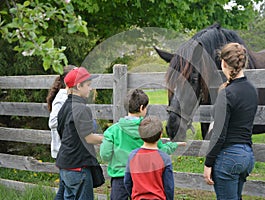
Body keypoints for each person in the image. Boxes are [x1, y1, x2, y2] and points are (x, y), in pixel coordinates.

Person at [100, 88, 186, 200]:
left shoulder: (112, 131)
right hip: (143, 180)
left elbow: (105, 155)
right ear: (141, 108)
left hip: (119, 180)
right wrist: (174, 145)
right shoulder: (148, 129)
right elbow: (160, 151)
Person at [203, 42, 258, 200]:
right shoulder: (252, 90)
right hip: (247, 156)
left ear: (224, 63)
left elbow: (219, 134)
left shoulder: (227, 94)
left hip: (229, 157)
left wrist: (208, 163)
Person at [56, 66, 103, 200]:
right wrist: (107, 139)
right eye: (88, 85)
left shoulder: (64, 107)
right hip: (78, 166)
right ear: (78, 86)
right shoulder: (82, 109)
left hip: (65, 165)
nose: (90, 88)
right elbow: (88, 138)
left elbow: (62, 132)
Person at [124, 116, 175, 200]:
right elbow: (169, 186)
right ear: (160, 135)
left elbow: (127, 181)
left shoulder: (132, 155)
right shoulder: (164, 158)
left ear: (140, 134)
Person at [46, 65, 75, 200]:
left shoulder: (68, 96)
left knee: (64, 188)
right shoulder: (62, 97)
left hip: (65, 150)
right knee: (66, 189)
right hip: (63, 150)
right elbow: (52, 122)